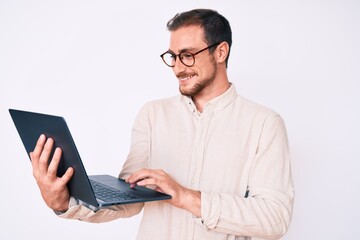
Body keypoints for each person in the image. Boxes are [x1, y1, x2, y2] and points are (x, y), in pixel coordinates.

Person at [30, 9, 294, 240]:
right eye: (173, 56)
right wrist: (64, 202)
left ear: (220, 52)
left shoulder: (264, 124)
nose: (178, 68)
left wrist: (184, 196)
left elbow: (275, 219)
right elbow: (129, 201)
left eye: (188, 55)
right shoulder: (152, 114)